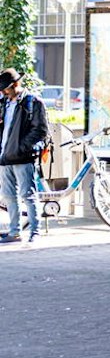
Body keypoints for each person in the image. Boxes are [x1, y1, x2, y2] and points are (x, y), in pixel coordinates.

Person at [0, 72, 47, 245]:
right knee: (9, 197)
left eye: (5, 89)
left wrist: (21, 148)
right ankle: (15, 233)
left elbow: (40, 130)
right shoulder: (4, 103)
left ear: (15, 85)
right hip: (4, 157)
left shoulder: (33, 102)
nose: (3, 92)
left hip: (23, 157)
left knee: (28, 195)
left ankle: (35, 231)